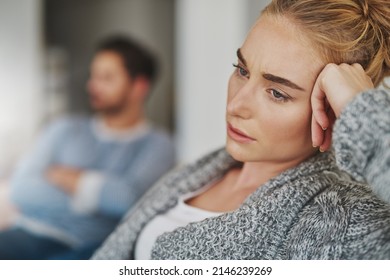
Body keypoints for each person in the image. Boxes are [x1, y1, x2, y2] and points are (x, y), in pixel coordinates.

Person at [93, 0, 390, 260]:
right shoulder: (206, 170)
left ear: (333, 111)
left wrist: (359, 107)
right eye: (242, 70)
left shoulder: (339, 218)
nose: (236, 104)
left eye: (277, 93)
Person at [0, 36, 176, 259]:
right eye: (94, 76)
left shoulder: (159, 145)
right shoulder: (64, 128)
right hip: (27, 234)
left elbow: (129, 201)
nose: (92, 85)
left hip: (88, 246)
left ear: (138, 87)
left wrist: (69, 179)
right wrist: (96, 200)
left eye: (107, 78)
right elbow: (21, 188)